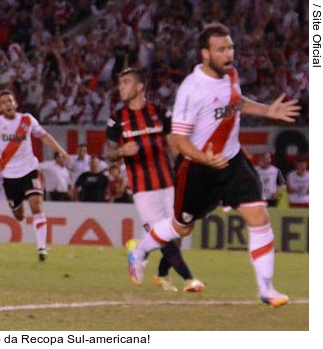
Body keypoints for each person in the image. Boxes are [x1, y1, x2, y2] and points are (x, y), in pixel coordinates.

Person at [126, 23, 300, 307]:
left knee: (259, 218)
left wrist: (267, 110)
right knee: (182, 227)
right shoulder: (191, 90)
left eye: (230, 47)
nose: (229, 53)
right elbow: (179, 139)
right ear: (205, 54)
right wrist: (204, 157)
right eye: (221, 49)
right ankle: (139, 252)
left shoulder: (231, 74)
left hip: (232, 161)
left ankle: (266, 290)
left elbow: (237, 101)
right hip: (197, 168)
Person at [106, 67, 203, 293]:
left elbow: (174, 147)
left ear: (140, 87)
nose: (121, 87)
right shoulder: (117, 120)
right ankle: (189, 278)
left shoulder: (161, 113)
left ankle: (154, 267)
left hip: (168, 182)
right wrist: (121, 151)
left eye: (126, 83)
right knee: (166, 236)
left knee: (177, 233)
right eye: (120, 84)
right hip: (142, 188)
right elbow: (107, 154)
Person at [0, 90, 72, 261]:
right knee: (19, 215)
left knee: (36, 205)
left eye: (10, 101)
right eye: (4, 102)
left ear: (16, 104)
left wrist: (60, 151)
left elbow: (44, 136)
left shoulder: (27, 119)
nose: (8, 104)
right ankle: (21, 211)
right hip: (10, 176)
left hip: (30, 170)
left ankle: (42, 248)